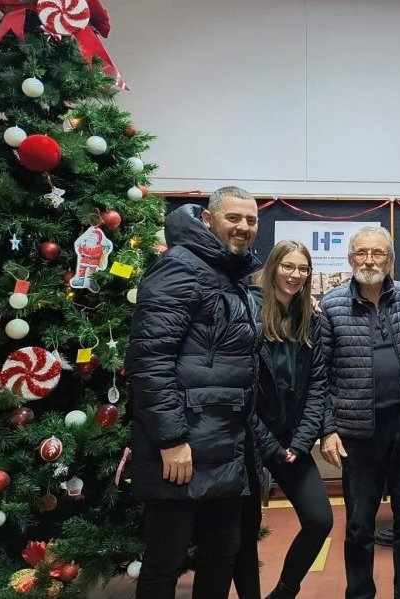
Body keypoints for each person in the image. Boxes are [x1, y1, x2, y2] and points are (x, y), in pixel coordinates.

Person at [126, 186, 262, 599]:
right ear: (208, 220)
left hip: (226, 444)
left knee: (221, 555)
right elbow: (149, 360)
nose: (243, 228)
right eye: (233, 218)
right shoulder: (180, 268)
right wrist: (171, 439)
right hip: (184, 446)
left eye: (251, 220)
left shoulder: (229, 273)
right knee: (165, 562)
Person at [317, 226, 400, 599]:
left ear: (390, 259)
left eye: (378, 254)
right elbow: (319, 374)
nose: (369, 261)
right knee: (358, 524)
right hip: (357, 434)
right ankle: (359, 594)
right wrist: (327, 429)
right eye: (362, 253)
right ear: (350, 258)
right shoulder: (332, 305)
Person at [232, 240, 335, 599]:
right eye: (288, 267)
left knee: (320, 520)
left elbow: (318, 385)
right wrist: (272, 446)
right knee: (245, 534)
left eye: (303, 269)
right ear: (274, 267)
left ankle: (284, 592)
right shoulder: (248, 312)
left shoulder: (312, 319)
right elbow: (242, 392)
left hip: (293, 442)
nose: (295, 275)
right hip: (250, 441)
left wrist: (300, 442)